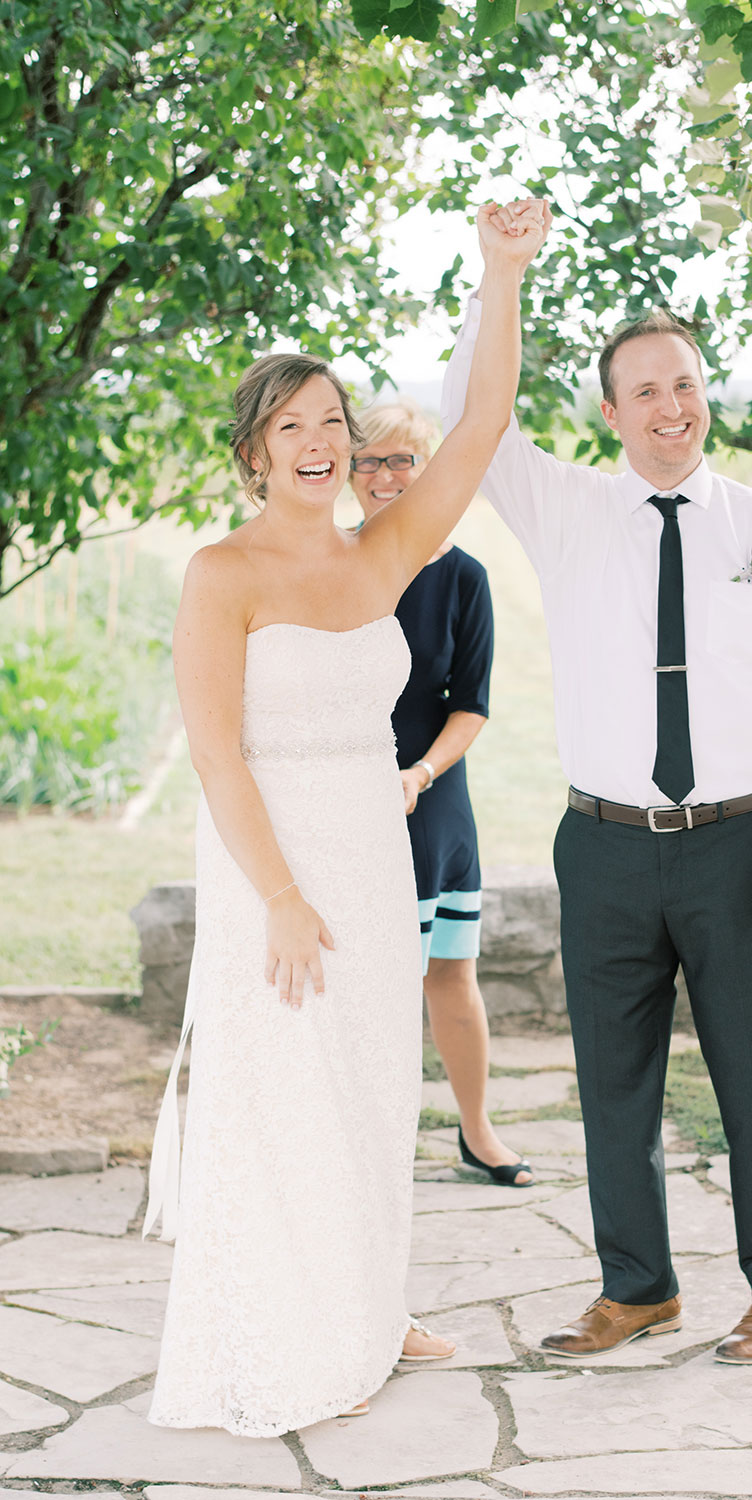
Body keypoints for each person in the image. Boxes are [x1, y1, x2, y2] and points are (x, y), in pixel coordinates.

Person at [141, 197, 551, 1438]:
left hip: (374, 863)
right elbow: (217, 755)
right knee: (280, 1104)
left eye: (333, 420)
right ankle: (300, 1329)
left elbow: (481, 424)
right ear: (255, 452)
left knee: (373, 1093)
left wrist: (499, 271)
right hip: (273, 870)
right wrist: (279, 899)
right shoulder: (223, 576)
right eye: (293, 425)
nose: (320, 440)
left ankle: (372, 1306)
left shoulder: (383, 555)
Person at [441, 213, 752, 1367]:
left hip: (738, 843)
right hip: (606, 844)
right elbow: (475, 406)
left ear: (702, 395)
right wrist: (500, 274)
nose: (671, 408)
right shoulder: (561, 508)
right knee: (611, 1083)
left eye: (686, 385)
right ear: (609, 414)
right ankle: (637, 1288)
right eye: (645, 392)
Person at [349, 402, 532, 1187]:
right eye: (370, 462)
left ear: (428, 471)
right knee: (367, 983)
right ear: (348, 475)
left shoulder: (463, 578)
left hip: (432, 800)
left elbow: (472, 703)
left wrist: (419, 775)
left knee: (451, 973)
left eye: (404, 462)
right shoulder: (332, 562)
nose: (387, 477)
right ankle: (365, 1143)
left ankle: (478, 1132)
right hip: (346, 801)